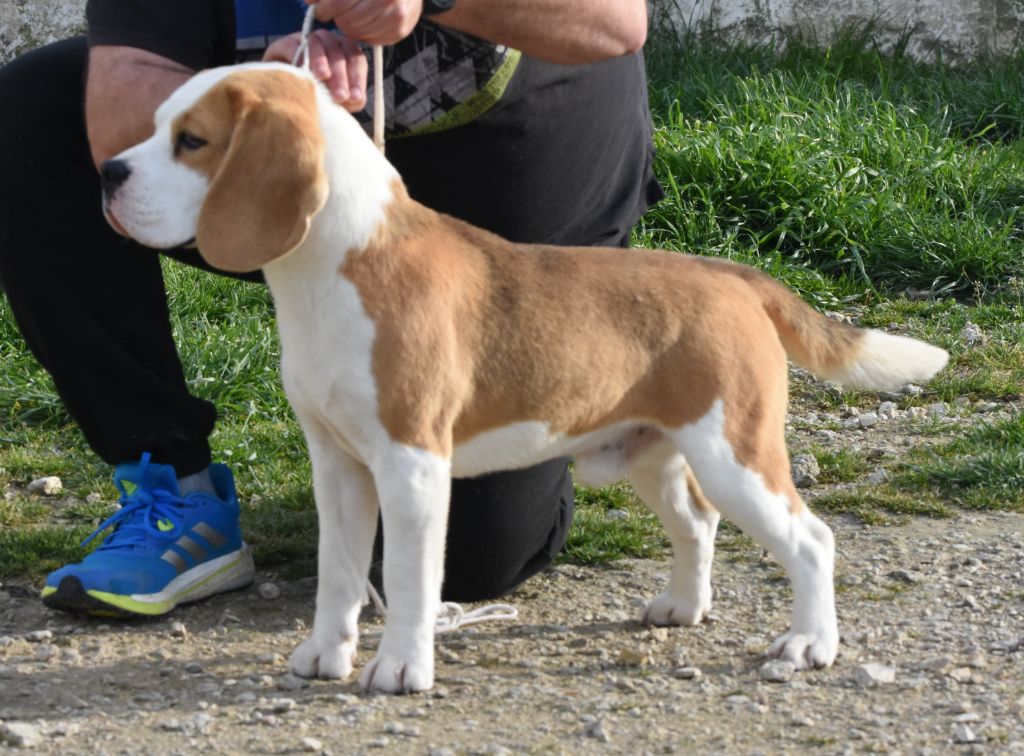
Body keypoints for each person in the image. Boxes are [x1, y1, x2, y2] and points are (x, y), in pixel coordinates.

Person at [0, 0, 662, 616]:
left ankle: (592, 395)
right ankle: (176, 491)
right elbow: (119, 112)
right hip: (293, 180)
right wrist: (266, 97)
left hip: (516, 185)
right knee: (30, 108)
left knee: (462, 563)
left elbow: (613, 22)